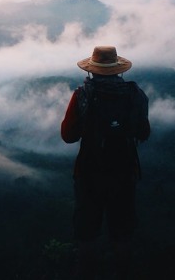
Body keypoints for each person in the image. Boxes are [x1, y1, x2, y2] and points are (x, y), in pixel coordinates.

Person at [61, 45, 150, 279]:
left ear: (92, 70)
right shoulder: (135, 94)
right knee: (122, 232)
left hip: (89, 174)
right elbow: (143, 132)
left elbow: (68, 136)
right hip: (124, 173)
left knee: (87, 233)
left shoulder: (82, 95)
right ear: (119, 70)